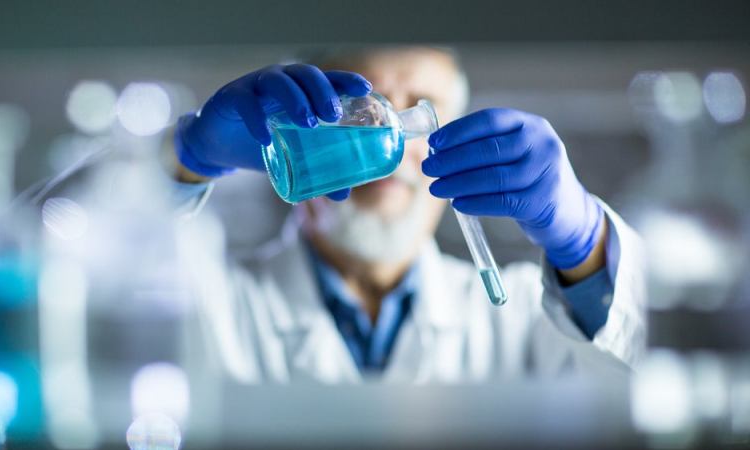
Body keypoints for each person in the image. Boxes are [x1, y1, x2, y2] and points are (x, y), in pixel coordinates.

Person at [171, 46, 645, 383]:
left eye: (421, 108)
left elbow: (637, 384)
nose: (390, 144)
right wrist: (188, 163)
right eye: (359, 113)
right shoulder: (212, 305)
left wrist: (584, 244)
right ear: (299, 126)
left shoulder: (516, 319)